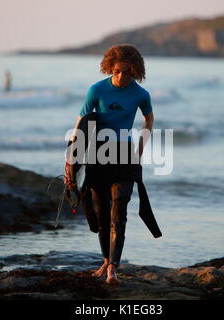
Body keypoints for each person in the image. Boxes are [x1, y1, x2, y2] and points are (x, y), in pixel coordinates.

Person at [67, 44, 156, 285]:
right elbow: (81, 121)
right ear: (109, 68)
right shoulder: (96, 90)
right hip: (99, 154)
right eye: (116, 71)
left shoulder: (140, 94)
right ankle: (106, 260)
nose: (121, 77)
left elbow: (148, 118)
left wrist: (140, 147)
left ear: (135, 71)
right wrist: (72, 158)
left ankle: (113, 268)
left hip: (125, 154)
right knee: (101, 212)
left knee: (120, 211)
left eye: (127, 72)